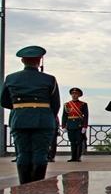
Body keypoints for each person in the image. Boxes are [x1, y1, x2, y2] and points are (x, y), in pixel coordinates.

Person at [0, 46, 60, 184]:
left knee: (22, 153)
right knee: (40, 153)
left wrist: (21, 109)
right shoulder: (49, 79)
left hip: (19, 119)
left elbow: (4, 101)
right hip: (43, 120)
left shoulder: (11, 78)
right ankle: (37, 185)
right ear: (39, 61)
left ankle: (24, 185)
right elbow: (55, 104)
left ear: (22, 61)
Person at [61, 87, 88, 162]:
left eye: (76, 94)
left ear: (79, 95)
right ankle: (73, 157)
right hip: (70, 125)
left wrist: (84, 126)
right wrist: (63, 126)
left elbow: (86, 116)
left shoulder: (83, 104)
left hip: (79, 125)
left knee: (79, 141)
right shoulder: (67, 104)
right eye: (73, 94)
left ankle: (78, 157)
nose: (74, 95)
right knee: (72, 141)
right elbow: (64, 116)